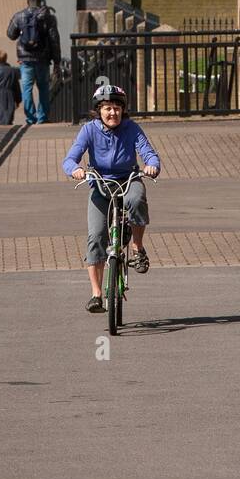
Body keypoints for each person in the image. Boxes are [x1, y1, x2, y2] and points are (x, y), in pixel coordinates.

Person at [62, 82, 160, 313]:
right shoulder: (89, 130)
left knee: (136, 200)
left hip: (128, 179)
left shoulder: (132, 128)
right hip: (101, 185)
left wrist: (151, 166)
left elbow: (149, 153)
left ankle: (137, 248)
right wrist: (75, 170)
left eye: (117, 107)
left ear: (123, 110)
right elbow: (70, 158)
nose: (112, 112)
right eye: (107, 108)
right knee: (96, 236)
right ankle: (96, 294)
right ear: (99, 110)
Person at [6, 0, 60, 124]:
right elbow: (54, 40)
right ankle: (42, 118)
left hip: (25, 60)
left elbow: (10, 34)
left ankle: (30, 117)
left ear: (27, 1)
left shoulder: (19, 16)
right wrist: (57, 61)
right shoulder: (48, 17)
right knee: (43, 88)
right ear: (39, 1)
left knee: (27, 89)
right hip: (43, 58)